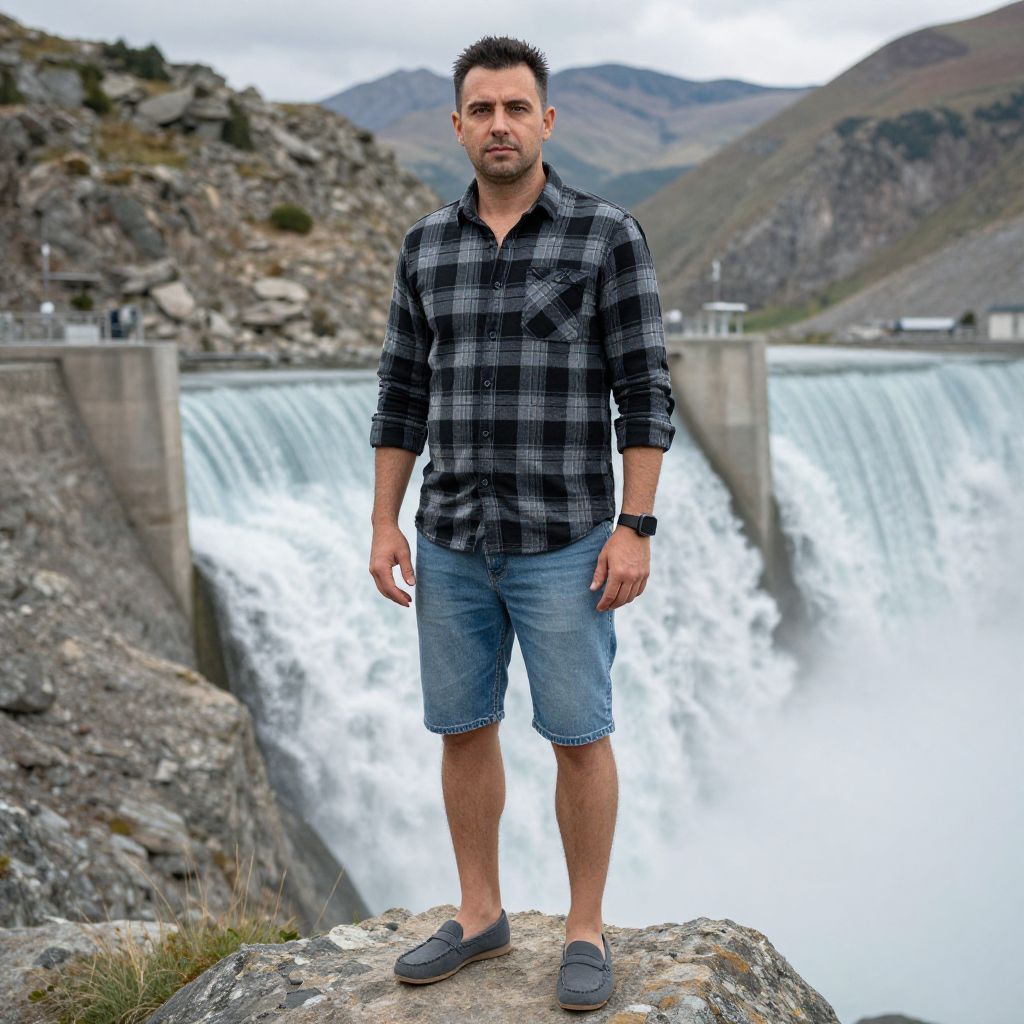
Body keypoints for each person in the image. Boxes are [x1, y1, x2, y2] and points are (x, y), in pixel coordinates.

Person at [367, 35, 676, 1013]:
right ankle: (478, 912)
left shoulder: (603, 234)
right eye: (480, 109)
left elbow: (646, 389)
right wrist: (385, 523)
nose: (498, 124)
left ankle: (583, 929)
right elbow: (399, 396)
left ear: (546, 120)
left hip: (567, 543)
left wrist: (636, 526)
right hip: (452, 540)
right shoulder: (426, 246)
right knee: (463, 729)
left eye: (515, 107)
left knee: (578, 735)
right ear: (457, 126)